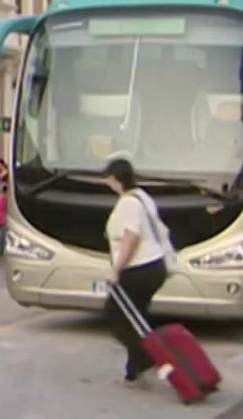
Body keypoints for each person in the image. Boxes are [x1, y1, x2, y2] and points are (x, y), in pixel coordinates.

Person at [101, 157, 174, 385]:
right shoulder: (142, 197)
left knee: (114, 314)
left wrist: (116, 269)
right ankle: (134, 369)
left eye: (108, 178)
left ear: (116, 179)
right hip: (155, 267)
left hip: (140, 268)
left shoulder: (129, 203)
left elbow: (131, 238)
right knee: (137, 316)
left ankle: (146, 356)